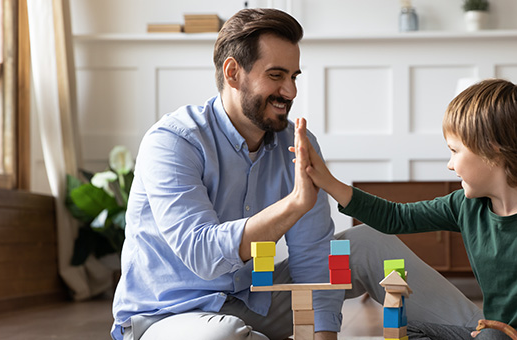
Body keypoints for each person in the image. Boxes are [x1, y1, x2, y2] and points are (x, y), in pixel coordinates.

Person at [111, 8, 483, 340]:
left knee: (370, 243)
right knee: (224, 335)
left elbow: (312, 255)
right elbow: (203, 255)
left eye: (294, 76)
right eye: (276, 75)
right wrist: (294, 205)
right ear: (233, 73)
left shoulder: (297, 144)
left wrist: (324, 333)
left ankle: (489, 334)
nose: (289, 90)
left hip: (253, 301)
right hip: (168, 315)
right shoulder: (173, 142)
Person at [298, 78, 517, 340]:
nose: (450, 164)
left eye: (454, 151)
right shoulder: (467, 206)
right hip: (498, 334)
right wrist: (327, 181)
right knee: (413, 330)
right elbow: (395, 217)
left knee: (492, 336)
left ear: (493, 149)